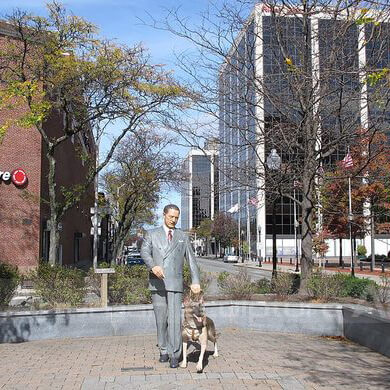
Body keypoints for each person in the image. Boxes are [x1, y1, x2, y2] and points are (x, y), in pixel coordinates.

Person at [140, 204, 200, 368]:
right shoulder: (151, 234)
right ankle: (163, 350)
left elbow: (191, 260)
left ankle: (175, 354)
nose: (174, 220)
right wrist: (153, 266)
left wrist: (195, 281)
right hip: (157, 283)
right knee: (161, 320)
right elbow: (144, 252)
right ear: (164, 215)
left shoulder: (182, 236)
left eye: (176, 217)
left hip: (174, 282)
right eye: (171, 217)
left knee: (174, 320)